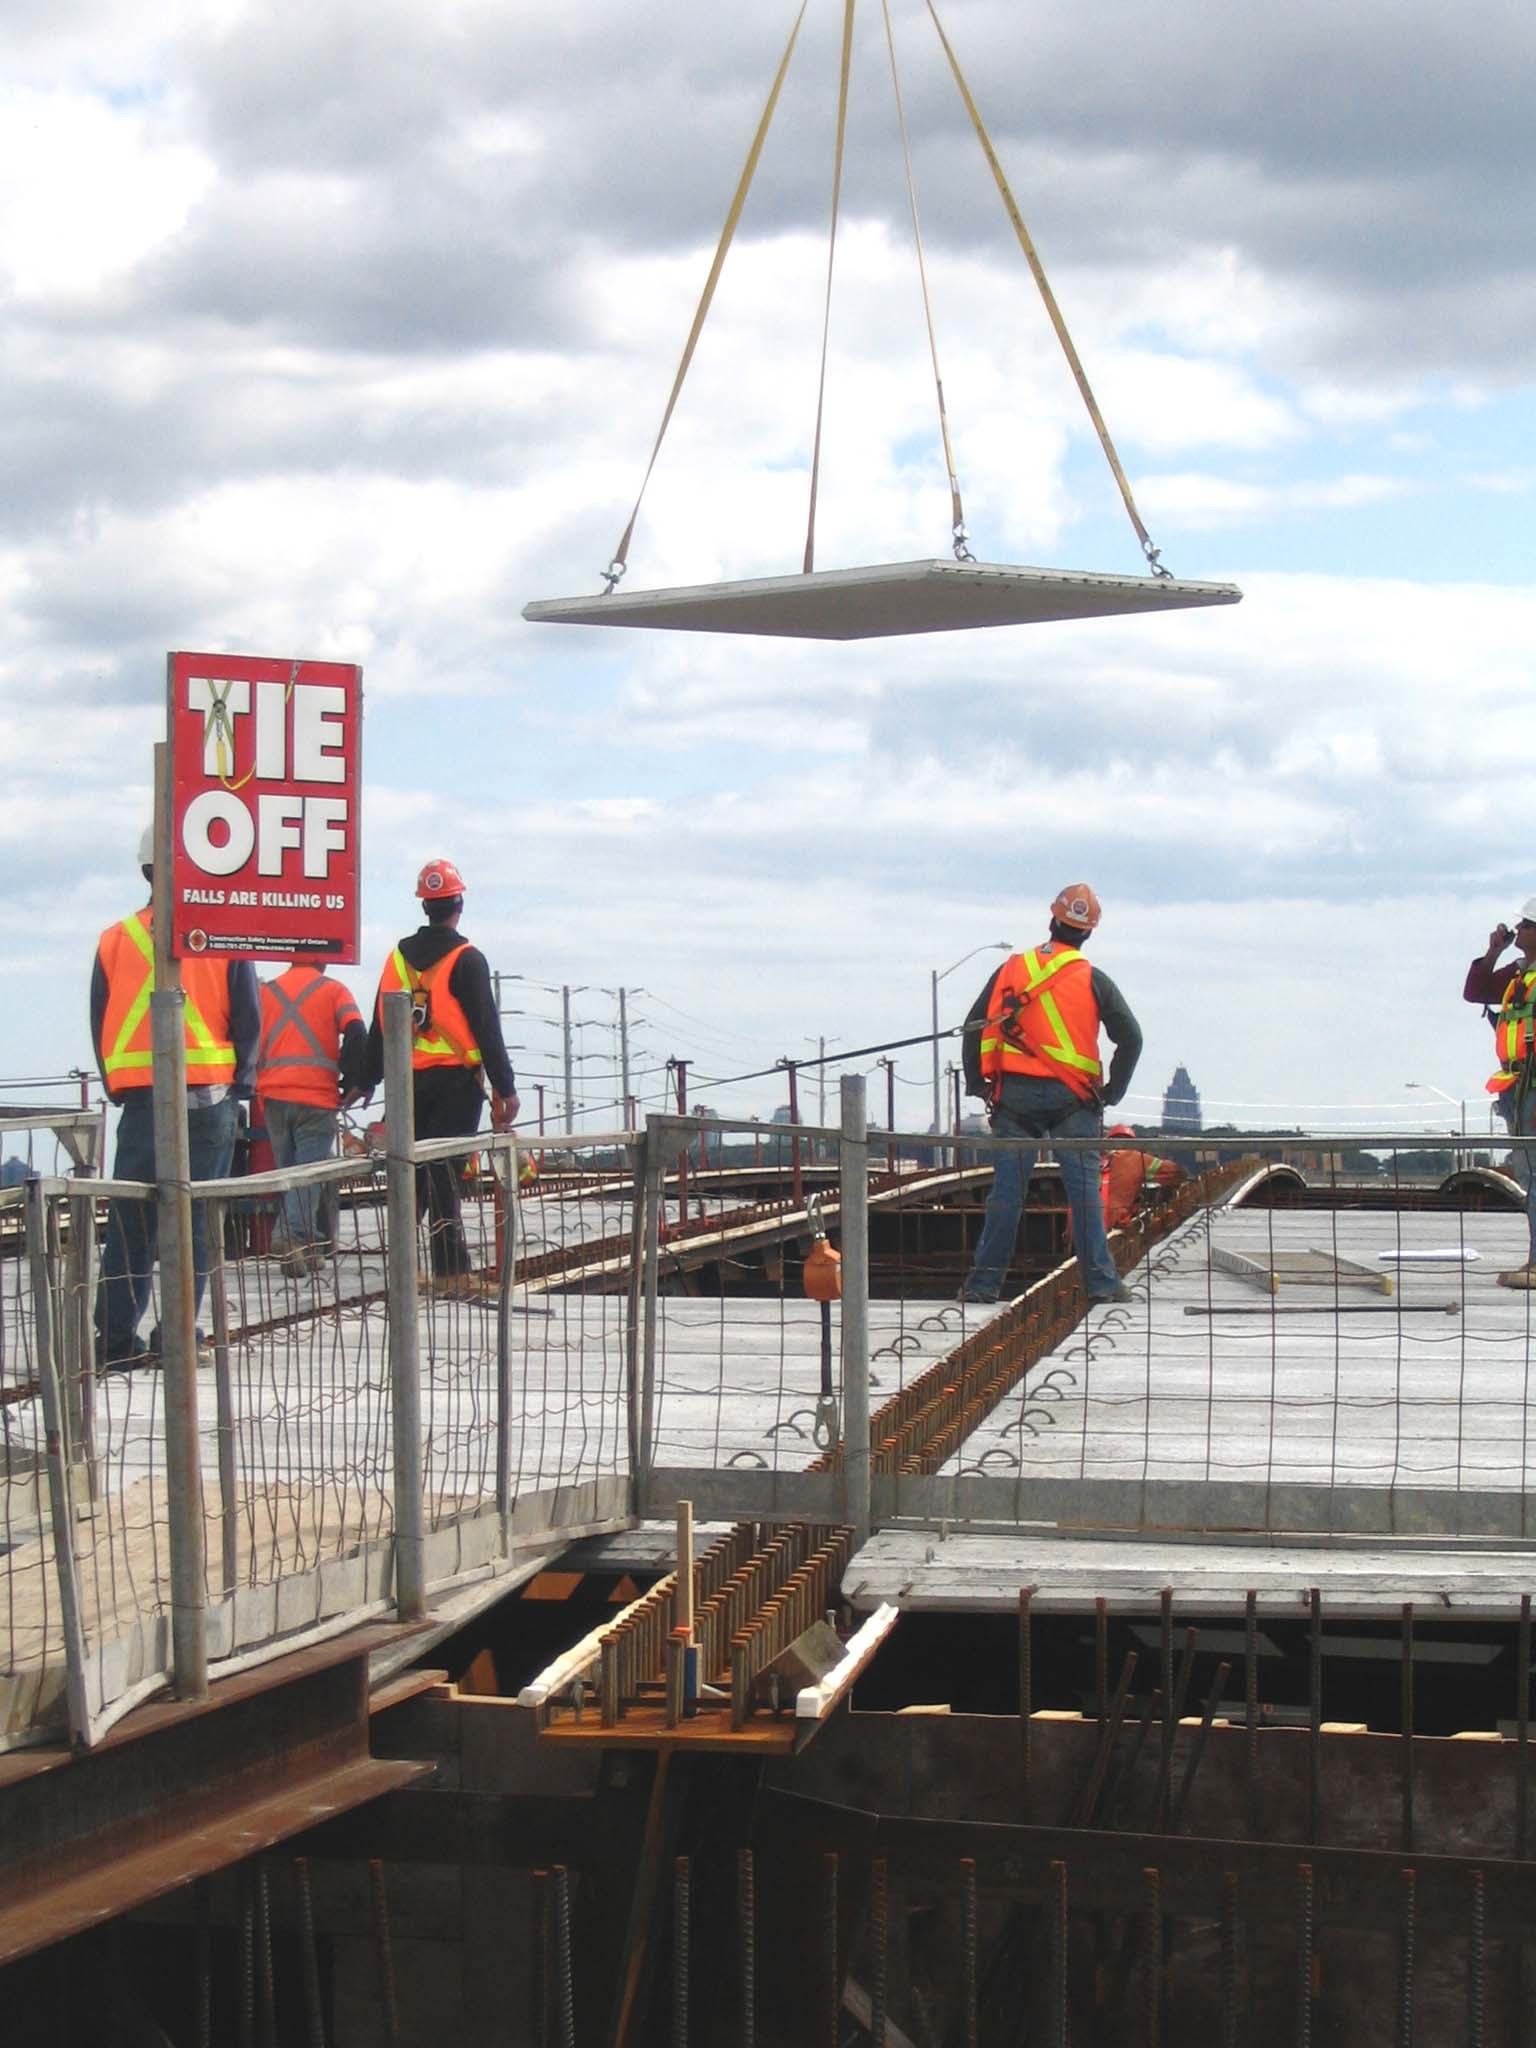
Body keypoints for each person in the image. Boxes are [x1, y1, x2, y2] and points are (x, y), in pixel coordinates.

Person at [92, 827, 260, 1370]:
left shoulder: (114, 939)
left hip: (141, 1104)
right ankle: (179, 1337)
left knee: (130, 1224)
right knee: (193, 1224)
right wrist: (245, 1082)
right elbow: (248, 1016)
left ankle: (115, 1341)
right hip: (208, 1101)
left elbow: (100, 1020)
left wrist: (118, 1082)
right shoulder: (220, 933)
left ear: (144, 870)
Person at [958, 884, 1142, 1307]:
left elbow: (972, 1027)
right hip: (1073, 1101)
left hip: (1014, 1100)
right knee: (1084, 1194)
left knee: (1006, 1194)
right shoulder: (1093, 979)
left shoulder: (1011, 970)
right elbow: (1130, 1037)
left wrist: (978, 1084)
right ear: (1088, 933)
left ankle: (983, 1285)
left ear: (1051, 920)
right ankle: (1101, 1283)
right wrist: (1112, 1091)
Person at [364, 859, 519, 1285]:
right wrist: (506, 1088)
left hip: (407, 1083)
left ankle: (404, 1268)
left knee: (411, 1173)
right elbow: (487, 1027)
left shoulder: (396, 960)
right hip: (457, 1083)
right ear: (458, 905)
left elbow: (379, 1026)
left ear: (424, 907)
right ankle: (451, 1272)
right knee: (444, 1174)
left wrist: (365, 1080)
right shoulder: (467, 960)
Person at [257, 957, 369, 1279]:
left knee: (290, 1174)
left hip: (273, 1097)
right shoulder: (335, 991)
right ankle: (290, 1236)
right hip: (316, 1098)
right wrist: (352, 1081)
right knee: (308, 1175)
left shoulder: (267, 992)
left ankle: (305, 1247)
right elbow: (357, 1034)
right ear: (323, 960)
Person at [1464, 901, 1536, 1289]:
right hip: (1517, 1087)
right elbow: (1475, 992)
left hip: (1533, 1088)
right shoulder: (1520, 973)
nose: (1518, 929)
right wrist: (1494, 951)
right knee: (1529, 1173)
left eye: (1526, 924)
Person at [1102, 1125, 1187, 1230]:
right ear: (1132, 1143)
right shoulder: (1135, 1157)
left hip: (1082, 1224)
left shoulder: (1091, 1157)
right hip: (1113, 1223)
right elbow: (1178, 1173)